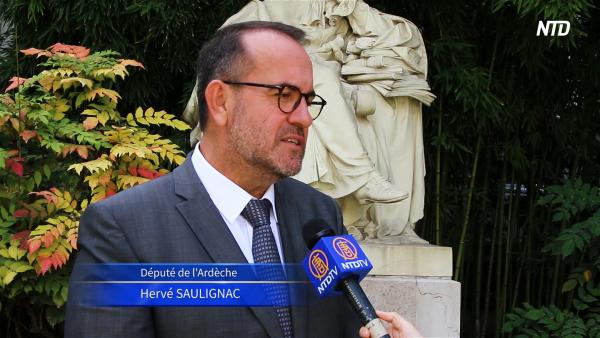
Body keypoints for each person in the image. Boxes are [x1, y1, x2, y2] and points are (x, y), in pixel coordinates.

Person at [65, 21, 416, 338]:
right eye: (285, 96)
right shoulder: (126, 229)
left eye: (308, 101)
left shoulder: (319, 215)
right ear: (220, 101)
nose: (306, 119)